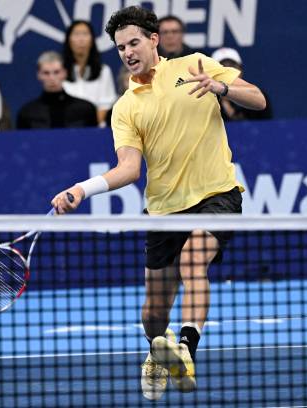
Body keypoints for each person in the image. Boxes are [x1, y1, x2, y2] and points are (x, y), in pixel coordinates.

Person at [51, 5, 265, 401]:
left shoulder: (196, 65)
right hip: (165, 210)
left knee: (193, 261)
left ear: (153, 39)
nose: (127, 51)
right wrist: (84, 188)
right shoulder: (126, 107)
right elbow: (129, 169)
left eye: (133, 42)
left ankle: (186, 348)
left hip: (217, 193)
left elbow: (258, 99)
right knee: (153, 312)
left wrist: (221, 88)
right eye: (119, 47)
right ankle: (157, 350)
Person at [17, 51, 97, 129]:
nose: (52, 78)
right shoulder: (27, 113)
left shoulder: (86, 109)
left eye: (56, 72)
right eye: (46, 73)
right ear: (39, 75)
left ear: (64, 73)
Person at [62, 20, 117, 126]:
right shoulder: (60, 71)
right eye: (76, 34)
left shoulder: (104, 71)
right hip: (66, 129)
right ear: (68, 40)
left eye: (85, 34)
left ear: (92, 40)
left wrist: (89, 128)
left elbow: (105, 106)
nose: (81, 39)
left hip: (95, 130)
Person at [211, 47, 273, 121]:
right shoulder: (206, 98)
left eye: (232, 67)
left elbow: (267, 126)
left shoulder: (256, 95)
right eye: (223, 68)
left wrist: (225, 90)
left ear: (240, 69)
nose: (228, 72)